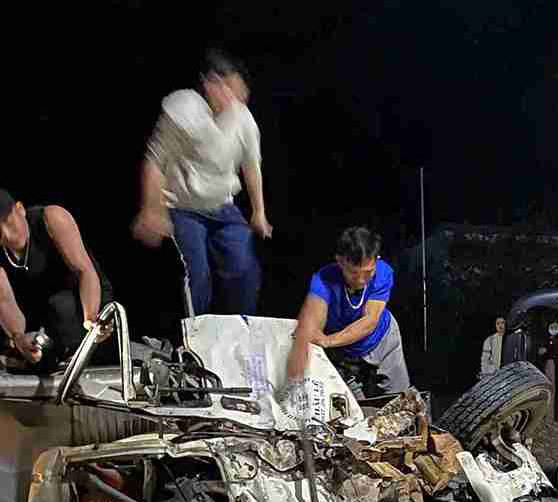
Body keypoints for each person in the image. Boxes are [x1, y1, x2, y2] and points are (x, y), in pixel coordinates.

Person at [132, 49, 273, 316]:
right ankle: (194, 330)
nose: (235, 100)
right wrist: (152, 209)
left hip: (222, 206)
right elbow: (155, 161)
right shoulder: (183, 108)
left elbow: (251, 165)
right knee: (196, 272)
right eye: (230, 90)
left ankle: (239, 327)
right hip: (183, 207)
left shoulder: (243, 118)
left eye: (240, 93)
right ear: (211, 84)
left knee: (244, 267)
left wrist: (259, 212)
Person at [286, 226, 409, 395]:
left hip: (382, 340)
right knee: (351, 403)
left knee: (398, 398)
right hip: (343, 352)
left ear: (376, 260)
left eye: (368, 272)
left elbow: (370, 321)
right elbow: (313, 322)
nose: (361, 280)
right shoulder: (323, 280)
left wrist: (328, 341)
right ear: (340, 261)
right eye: (353, 273)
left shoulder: (383, 272)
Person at [0, 190, 114, 372]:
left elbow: (84, 271)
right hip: (43, 311)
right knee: (19, 344)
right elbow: (4, 301)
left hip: (85, 300)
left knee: (61, 305)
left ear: (20, 209)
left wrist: (91, 318)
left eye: (8, 221)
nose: (7, 235)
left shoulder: (51, 217)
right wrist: (19, 338)